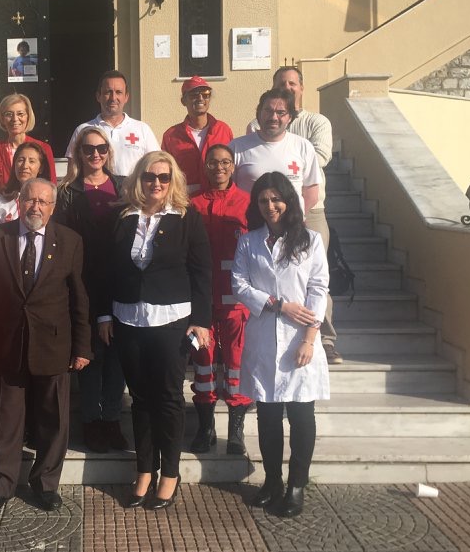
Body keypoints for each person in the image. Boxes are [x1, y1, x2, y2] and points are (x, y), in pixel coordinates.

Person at [0, 178, 91, 515]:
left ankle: (46, 485)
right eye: (30, 200)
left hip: (53, 344)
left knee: (54, 420)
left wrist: (82, 346)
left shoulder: (70, 241)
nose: (35, 207)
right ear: (19, 202)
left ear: (52, 207)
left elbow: (79, 297)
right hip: (6, 344)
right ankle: (0, 485)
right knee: (3, 419)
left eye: (43, 201)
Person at [103, 151, 211, 511]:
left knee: (168, 397)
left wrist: (202, 320)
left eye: (164, 177)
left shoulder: (187, 217)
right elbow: (106, 269)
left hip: (172, 319)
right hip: (128, 317)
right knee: (140, 398)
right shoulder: (121, 217)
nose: (156, 183)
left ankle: (170, 473)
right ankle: (145, 470)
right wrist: (103, 315)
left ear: (173, 181)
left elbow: (202, 272)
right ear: (139, 178)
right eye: (150, 176)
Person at [232, 171, 330, 519]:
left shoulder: (309, 240)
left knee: (301, 416)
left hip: (299, 339)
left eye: (276, 199)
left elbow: (319, 288)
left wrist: (309, 339)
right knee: (269, 415)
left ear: (288, 200)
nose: (270, 206)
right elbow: (239, 284)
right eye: (263, 200)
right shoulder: (249, 242)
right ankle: (272, 481)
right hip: (264, 336)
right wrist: (278, 304)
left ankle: (296, 485)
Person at [247, 66, 342, 364]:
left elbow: (319, 162)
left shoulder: (316, 123)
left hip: (307, 212)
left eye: (292, 83)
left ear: (301, 87)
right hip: (266, 213)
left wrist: (296, 217)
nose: (287, 87)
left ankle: (324, 337)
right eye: (281, 83)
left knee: (315, 276)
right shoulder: (254, 126)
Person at [54, 125, 127, 454]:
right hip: (82, 281)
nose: (95, 154)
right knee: (89, 354)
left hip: (118, 280)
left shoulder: (123, 186)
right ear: (78, 153)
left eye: (101, 148)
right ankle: (90, 421)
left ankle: (112, 419)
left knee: (116, 355)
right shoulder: (67, 191)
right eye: (88, 149)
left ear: (108, 152)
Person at [189, 144, 252, 455]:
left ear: (233, 165)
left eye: (226, 162)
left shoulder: (247, 203)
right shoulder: (193, 204)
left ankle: (236, 431)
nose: (219, 168)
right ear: (205, 166)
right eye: (213, 162)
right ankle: (206, 428)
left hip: (236, 301)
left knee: (237, 364)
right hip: (202, 301)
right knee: (203, 364)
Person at [230, 87, 321, 214]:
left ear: (290, 117)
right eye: (268, 110)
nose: (273, 117)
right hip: (250, 223)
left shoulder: (303, 147)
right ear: (259, 113)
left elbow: (311, 193)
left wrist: (295, 219)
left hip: (291, 224)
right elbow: (227, 191)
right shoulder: (236, 147)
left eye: (281, 112)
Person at [65, 70, 159, 178]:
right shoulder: (83, 130)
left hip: (132, 189)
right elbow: (72, 171)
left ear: (126, 97)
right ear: (98, 96)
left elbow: (155, 165)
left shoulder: (142, 130)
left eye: (118, 92)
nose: (113, 98)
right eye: (108, 92)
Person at [161, 76, 233, 195]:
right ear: (183, 101)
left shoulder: (223, 130)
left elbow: (231, 167)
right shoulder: (171, 136)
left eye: (205, 94)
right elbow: (166, 172)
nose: (200, 98)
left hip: (219, 197)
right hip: (185, 200)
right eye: (193, 95)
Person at [0, 93, 56, 189]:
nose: (15, 119)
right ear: (2, 118)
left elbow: (51, 186)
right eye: (9, 114)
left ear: (28, 116)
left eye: (20, 114)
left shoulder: (43, 148)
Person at [0, 141, 52, 229]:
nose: (25, 166)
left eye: (31, 161)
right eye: (20, 160)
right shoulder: (0, 202)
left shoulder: (50, 200)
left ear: (41, 168)